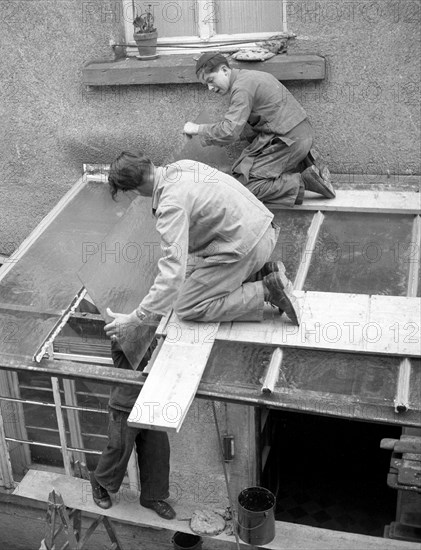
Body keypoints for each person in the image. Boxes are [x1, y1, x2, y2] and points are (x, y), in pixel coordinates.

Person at [103, 152, 301, 348]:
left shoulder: (170, 203)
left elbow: (173, 273)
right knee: (190, 276)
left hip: (248, 247)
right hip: (263, 230)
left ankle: (266, 290)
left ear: (134, 189)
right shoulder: (181, 167)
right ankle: (260, 273)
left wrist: (137, 317)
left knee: (186, 305)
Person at [183, 52, 336, 207]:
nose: (210, 88)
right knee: (241, 171)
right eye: (206, 85)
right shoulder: (249, 78)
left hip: (290, 140)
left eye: (210, 80)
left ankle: (305, 182)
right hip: (296, 135)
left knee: (244, 188)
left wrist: (197, 129)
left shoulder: (242, 88)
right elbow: (246, 128)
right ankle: (308, 163)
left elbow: (230, 130)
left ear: (224, 70)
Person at [90, 339, 175, 520]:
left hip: (150, 404)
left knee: (157, 452)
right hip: (124, 405)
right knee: (119, 448)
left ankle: (152, 497)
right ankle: (99, 482)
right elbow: (139, 351)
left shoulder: (155, 335)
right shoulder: (123, 336)